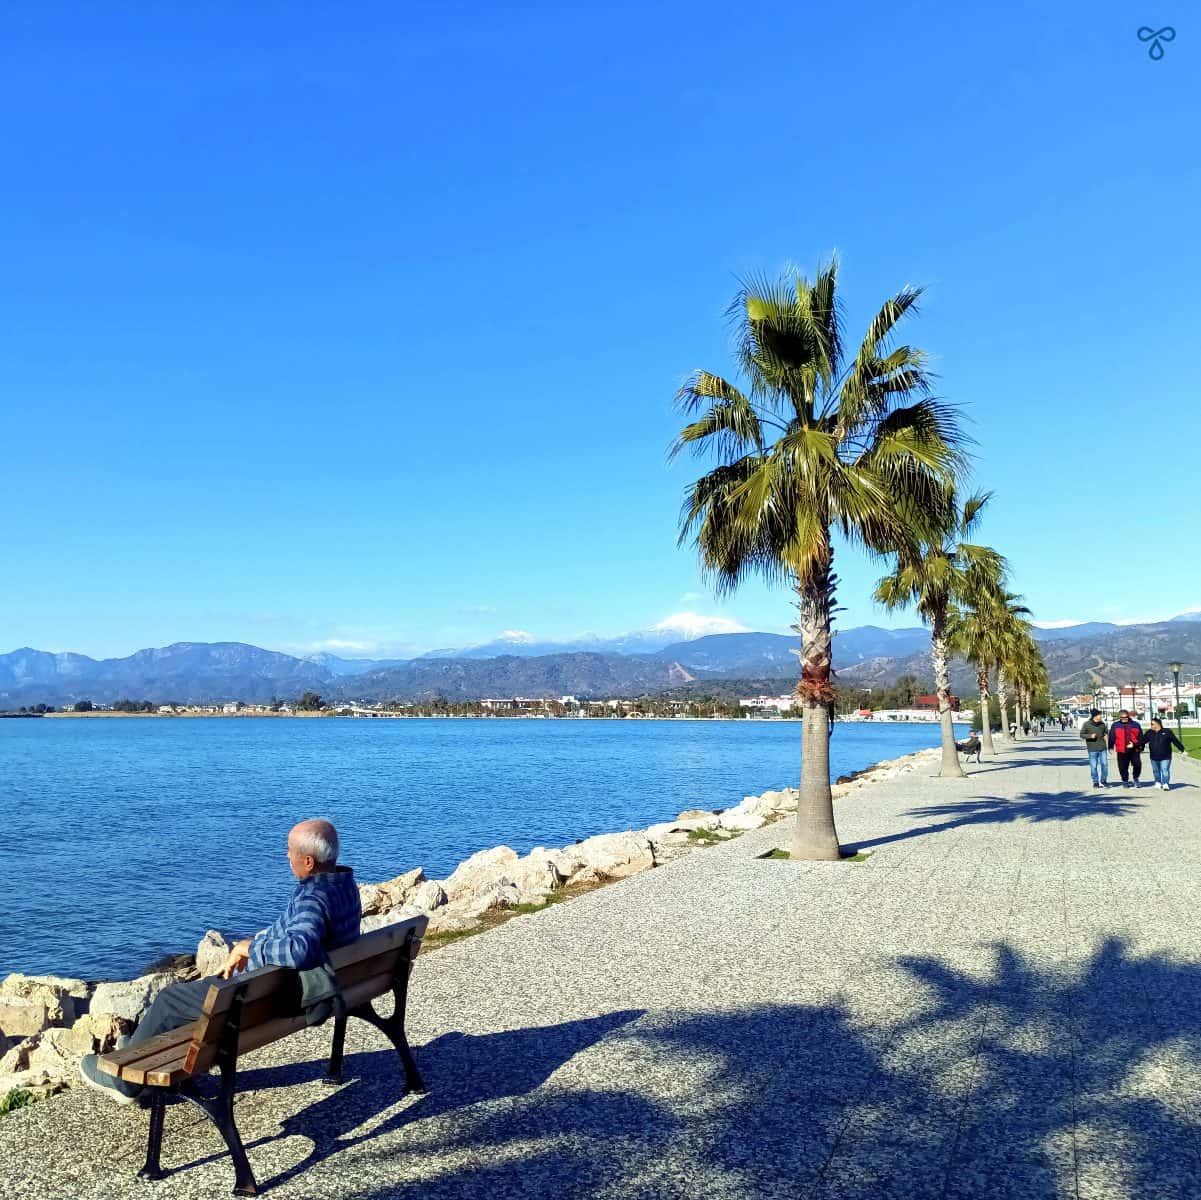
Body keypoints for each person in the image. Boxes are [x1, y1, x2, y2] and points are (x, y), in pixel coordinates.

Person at [79, 818, 361, 1104]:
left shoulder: (312, 897)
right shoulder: (344, 884)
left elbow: (300, 948)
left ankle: (124, 1081)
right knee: (194, 997)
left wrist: (252, 948)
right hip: (301, 988)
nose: (286, 855)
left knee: (170, 1000)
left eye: (290, 850)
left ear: (309, 862)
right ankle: (137, 1045)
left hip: (270, 997)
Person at [1144, 718, 1185, 790]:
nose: (1151, 725)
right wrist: (1136, 747)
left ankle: (1165, 783)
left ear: (1158, 724)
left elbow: (1175, 741)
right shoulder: (1149, 732)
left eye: (1152, 724)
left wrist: (1182, 749)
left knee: (1165, 770)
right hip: (1154, 756)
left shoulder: (1167, 731)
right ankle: (1158, 782)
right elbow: (1142, 741)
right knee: (1156, 771)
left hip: (1166, 756)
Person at [1108, 710, 1144, 787]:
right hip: (1121, 750)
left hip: (1134, 749)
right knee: (1122, 767)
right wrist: (1110, 747)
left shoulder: (1136, 724)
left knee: (1137, 765)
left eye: (1126, 717)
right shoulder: (1115, 725)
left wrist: (1140, 746)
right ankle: (1125, 780)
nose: (1124, 719)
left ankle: (1136, 778)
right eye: (1122, 717)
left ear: (1128, 716)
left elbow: (1140, 737)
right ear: (1119, 717)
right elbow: (1111, 737)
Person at [1080, 709, 1109, 787]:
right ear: (1095, 716)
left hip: (1102, 748)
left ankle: (1103, 780)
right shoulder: (1086, 724)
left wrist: (1106, 737)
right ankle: (1095, 782)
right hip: (1092, 749)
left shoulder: (1102, 724)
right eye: (1100, 715)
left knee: (1105, 765)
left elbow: (1105, 733)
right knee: (1094, 766)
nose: (1101, 716)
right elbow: (1082, 734)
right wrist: (1090, 736)